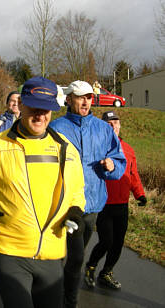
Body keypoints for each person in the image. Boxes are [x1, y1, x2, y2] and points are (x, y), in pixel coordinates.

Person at [0, 76, 86, 308]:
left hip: (53, 255)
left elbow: (76, 191)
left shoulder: (66, 149)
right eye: (34, 108)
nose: (40, 115)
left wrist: (76, 211)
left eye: (46, 110)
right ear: (22, 105)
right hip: (9, 251)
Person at [49, 80, 127, 308]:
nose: (85, 101)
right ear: (69, 99)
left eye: (89, 97)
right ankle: (61, 298)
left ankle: (66, 297)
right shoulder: (56, 128)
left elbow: (119, 159)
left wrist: (112, 165)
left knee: (77, 256)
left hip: (91, 205)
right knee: (62, 256)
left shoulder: (103, 129)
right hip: (62, 204)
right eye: (80, 97)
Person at [84, 110, 146, 290]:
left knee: (118, 242)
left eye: (116, 123)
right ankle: (91, 267)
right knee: (106, 241)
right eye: (109, 124)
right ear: (104, 126)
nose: (113, 126)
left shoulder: (128, 149)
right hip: (103, 203)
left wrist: (139, 194)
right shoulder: (97, 147)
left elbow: (133, 175)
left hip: (122, 204)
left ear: (119, 125)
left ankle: (106, 273)